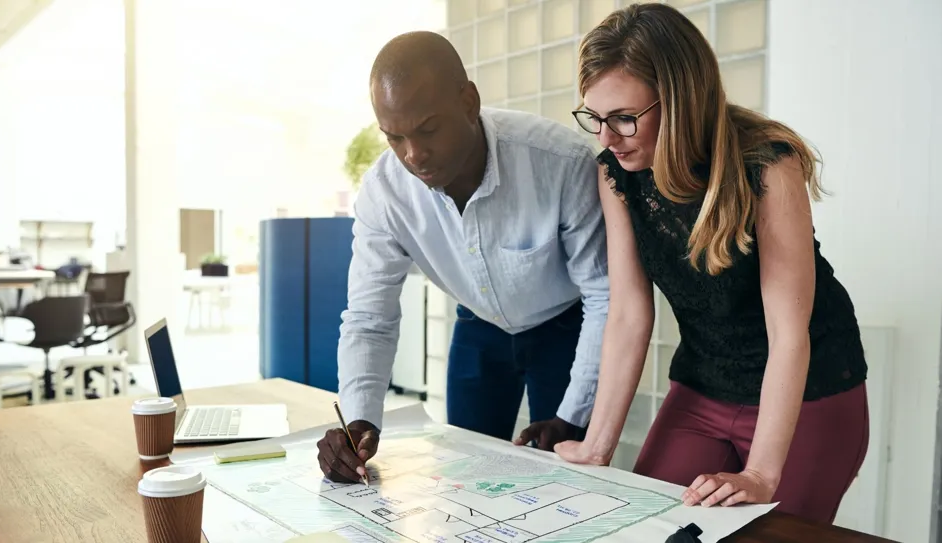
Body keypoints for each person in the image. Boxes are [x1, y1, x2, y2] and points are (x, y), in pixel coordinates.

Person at [552, 3, 869, 524]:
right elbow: (630, 313)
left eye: (624, 118)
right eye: (595, 118)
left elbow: (789, 335)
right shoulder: (616, 173)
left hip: (811, 391)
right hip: (703, 386)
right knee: (646, 526)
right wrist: (596, 446)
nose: (605, 138)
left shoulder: (768, 163)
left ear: (680, 102)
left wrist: (762, 475)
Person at [316, 31, 610, 485]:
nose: (414, 155)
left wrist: (574, 414)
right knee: (468, 479)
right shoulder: (384, 194)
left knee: (572, 477)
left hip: (565, 328)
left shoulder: (559, 162)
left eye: (428, 129)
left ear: (469, 102)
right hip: (478, 328)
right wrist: (358, 422)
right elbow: (369, 319)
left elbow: (604, 295)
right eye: (395, 138)